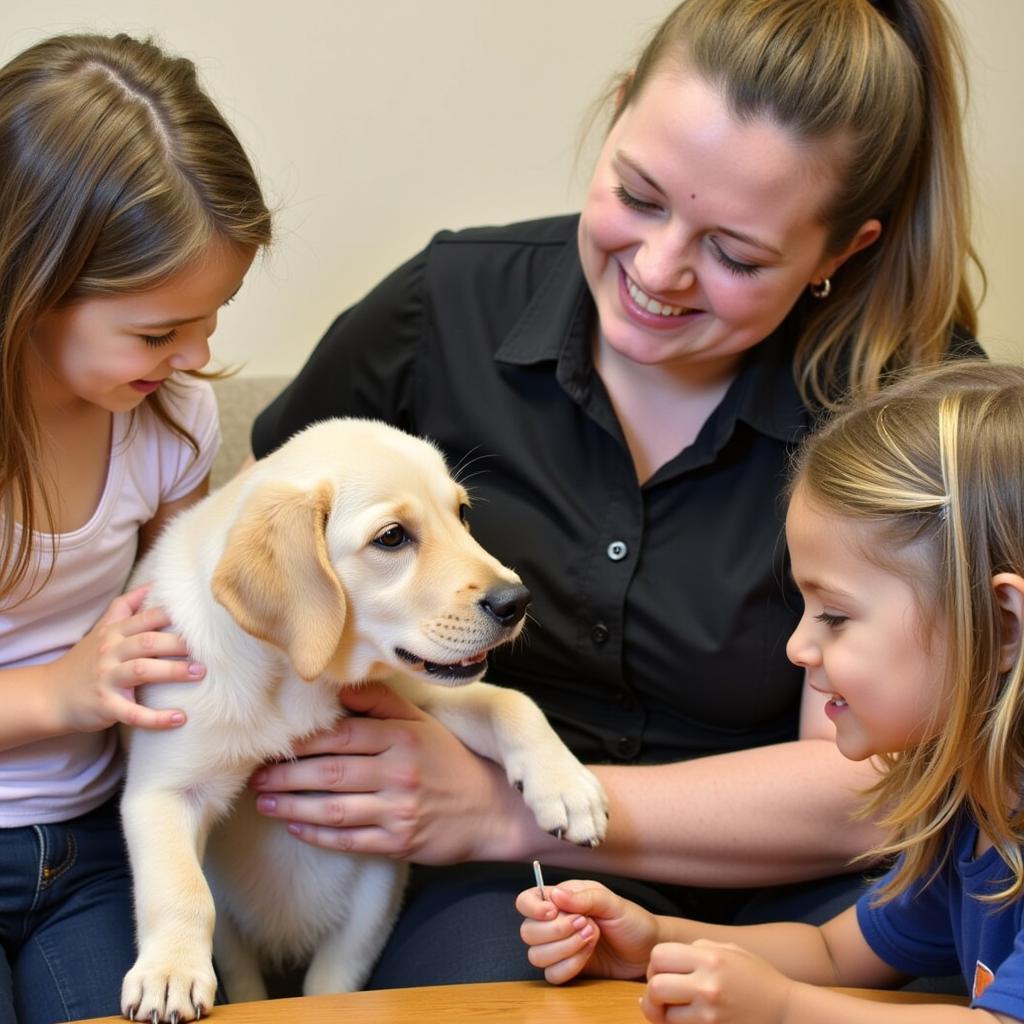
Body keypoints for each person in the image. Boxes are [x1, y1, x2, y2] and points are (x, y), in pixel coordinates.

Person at [249, 0, 981, 988]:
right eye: (637, 195)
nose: (657, 268)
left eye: (735, 254)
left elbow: (875, 782)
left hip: (809, 894)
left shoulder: (915, 408)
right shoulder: (444, 311)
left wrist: (500, 803)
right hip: (493, 882)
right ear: (618, 111)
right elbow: (255, 561)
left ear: (841, 252)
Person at [518, 359, 1024, 1023]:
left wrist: (784, 1011)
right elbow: (834, 952)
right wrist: (653, 942)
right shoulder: (971, 810)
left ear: (1002, 626)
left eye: (835, 616)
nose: (798, 648)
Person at [0, 33, 271, 1024]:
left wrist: (250, 571)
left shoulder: (166, 420)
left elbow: (181, 625)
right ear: (30, 288)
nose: (198, 354)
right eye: (159, 331)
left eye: (213, 314)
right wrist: (64, 690)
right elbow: (90, 681)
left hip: (101, 846)